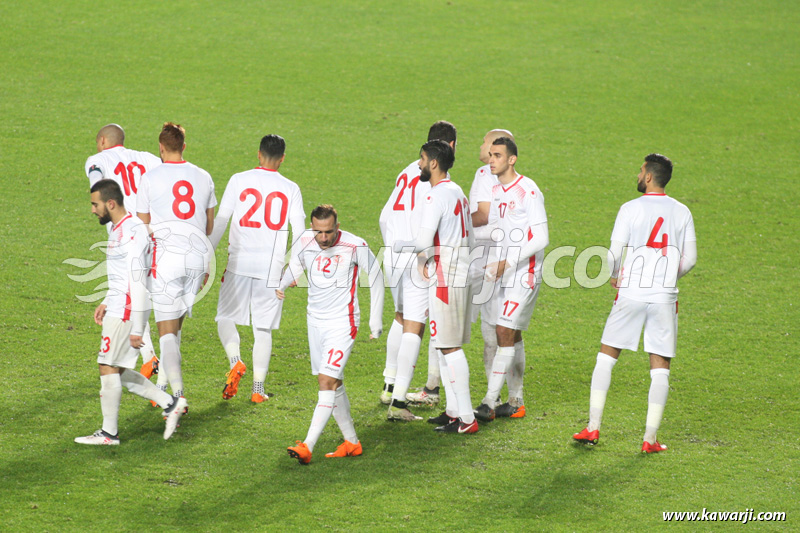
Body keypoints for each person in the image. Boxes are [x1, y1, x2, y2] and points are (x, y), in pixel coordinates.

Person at [573, 153, 697, 453]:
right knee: (660, 366)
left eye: (641, 171)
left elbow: (614, 254)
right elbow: (691, 259)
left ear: (649, 177)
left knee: (607, 356)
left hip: (631, 292)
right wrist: (667, 276)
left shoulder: (630, 208)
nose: (638, 175)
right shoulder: (682, 212)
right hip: (664, 296)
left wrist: (616, 276)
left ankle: (592, 427)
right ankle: (649, 439)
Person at [74, 180, 186, 445]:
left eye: (95, 204)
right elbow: (121, 276)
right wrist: (106, 300)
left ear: (110, 203)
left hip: (125, 310)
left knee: (107, 366)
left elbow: (137, 280)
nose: (93, 210)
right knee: (117, 369)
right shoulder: (119, 228)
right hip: (117, 305)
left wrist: (137, 327)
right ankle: (170, 403)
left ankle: (109, 434)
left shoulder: (132, 231)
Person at [280, 205, 384, 464]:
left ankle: (307, 446)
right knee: (334, 382)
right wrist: (282, 284)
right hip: (314, 322)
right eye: (319, 232)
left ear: (338, 226)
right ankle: (352, 442)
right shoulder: (305, 240)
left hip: (342, 323)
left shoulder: (355, 245)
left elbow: (376, 275)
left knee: (326, 380)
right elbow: (295, 266)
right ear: (312, 227)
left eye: (328, 231)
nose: (323, 238)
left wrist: (375, 320)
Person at [131, 122, 217, 427]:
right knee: (175, 331)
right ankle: (165, 386)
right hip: (197, 259)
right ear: (184, 146)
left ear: (160, 147)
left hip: (167, 259)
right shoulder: (204, 176)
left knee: (166, 333)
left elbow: (143, 226)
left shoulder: (150, 177)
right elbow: (209, 226)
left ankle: (176, 399)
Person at [209, 135, 305, 403]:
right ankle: (258, 390)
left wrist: (206, 256)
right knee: (263, 328)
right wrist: (295, 269)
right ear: (282, 158)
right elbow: (300, 232)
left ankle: (235, 361)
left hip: (239, 262)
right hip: (271, 268)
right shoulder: (291, 188)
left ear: (259, 154)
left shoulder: (239, 179)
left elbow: (221, 220)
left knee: (225, 317)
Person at [393, 140, 478, 434]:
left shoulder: (435, 196)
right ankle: (454, 412)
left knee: (449, 347)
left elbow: (423, 241)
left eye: (421, 159)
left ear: (433, 163)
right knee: (444, 344)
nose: (418, 164)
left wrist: (400, 247)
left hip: (446, 278)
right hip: (460, 272)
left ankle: (467, 419)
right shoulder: (457, 191)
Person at [379, 121, 457, 420]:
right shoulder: (437, 181)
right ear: (451, 147)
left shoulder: (407, 170)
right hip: (418, 259)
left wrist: (392, 248)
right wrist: (423, 257)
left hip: (393, 254)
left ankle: (389, 384)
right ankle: (403, 400)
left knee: (400, 317)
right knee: (419, 325)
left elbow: (384, 217)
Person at [474, 137, 549, 422]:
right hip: (503, 271)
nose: (491, 160)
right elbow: (495, 230)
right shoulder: (496, 190)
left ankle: (488, 402)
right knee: (511, 334)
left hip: (524, 273)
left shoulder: (527, 190)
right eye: (490, 154)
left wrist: (507, 262)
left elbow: (541, 237)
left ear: (512, 159)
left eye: (497, 155)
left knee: (504, 331)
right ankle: (516, 402)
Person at [84, 123, 164, 385]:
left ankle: (156, 368)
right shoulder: (146, 158)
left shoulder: (97, 159)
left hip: (125, 233)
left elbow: (97, 185)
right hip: (151, 231)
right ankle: (151, 359)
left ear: (103, 141)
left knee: (131, 291)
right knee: (143, 290)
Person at [469, 129, 514, 385]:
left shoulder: (486, 173)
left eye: (484, 141)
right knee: (495, 330)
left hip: (482, 260)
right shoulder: (519, 183)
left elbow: (483, 215)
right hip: (498, 259)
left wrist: (456, 223)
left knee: (447, 324)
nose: (481, 145)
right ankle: (499, 393)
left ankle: (432, 386)